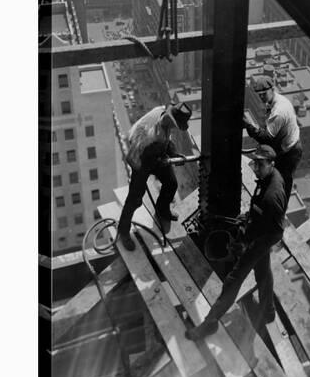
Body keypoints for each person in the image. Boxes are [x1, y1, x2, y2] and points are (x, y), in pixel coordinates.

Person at [185, 145, 287, 341]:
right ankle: (268, 311)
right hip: (260, 233)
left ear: (271, 164)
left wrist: (247, 242)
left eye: (261, 164)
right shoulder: (270, 177)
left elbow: (275, 230)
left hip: (262, 239)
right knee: (263, 273)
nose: (256, 167)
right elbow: (262, 214)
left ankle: (209, 324)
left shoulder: (271, 196)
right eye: (255, 162)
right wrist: (249, 218)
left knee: (233, 280)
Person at [118, 102, 192, 251]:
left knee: (171, 183)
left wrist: (173, 154)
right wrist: (161, 160)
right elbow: (145, 156)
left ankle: (162, 210)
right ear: (170, 118)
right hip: (140, 159)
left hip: (156, 153)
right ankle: (123, 231)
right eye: (174, 124)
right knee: (135, 198)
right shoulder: (150, 135)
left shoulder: (160, 112)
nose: (174, 127)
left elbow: (166, 140)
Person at [243, 75, 302, 200]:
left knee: (282, 183)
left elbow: (266, 138)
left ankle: (277, 211)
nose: (262, 97)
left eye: (264, 93)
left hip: (289, 152)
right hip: (287, 146)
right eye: (259, 94)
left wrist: (249, 125)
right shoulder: (277, 100)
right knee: (276, 179)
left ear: (272, 89)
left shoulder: (279, 111)